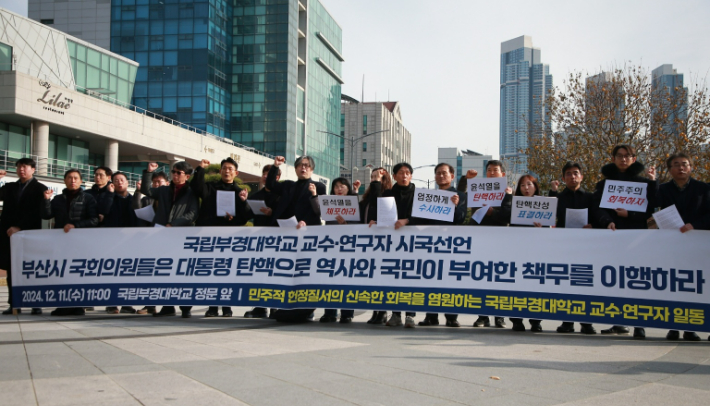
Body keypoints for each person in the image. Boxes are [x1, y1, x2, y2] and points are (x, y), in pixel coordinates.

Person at [592, 144, 657, 339]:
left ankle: (640, 324)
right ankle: (618, 322)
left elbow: (653, 209)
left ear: (634, 158)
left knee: (637, 280)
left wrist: (631, 214)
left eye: (627, 156)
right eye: (619, 156)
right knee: (616, 280)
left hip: (637, 236)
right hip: (613, 237)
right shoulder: (604, 184)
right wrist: (608, 221)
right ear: (613, 158)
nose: (623, 159)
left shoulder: (645, 183)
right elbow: (597, 208)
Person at [657, 153, 710, 342]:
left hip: (697, 245)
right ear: (669, 169)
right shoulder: (661, 190)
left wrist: (695, 225)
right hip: (670, 246)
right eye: (676, 165)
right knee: (672, 285)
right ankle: (673, 327)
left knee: (693, 286)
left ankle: (690, 328)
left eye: (685, 164)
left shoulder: (704, 189)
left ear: (691, 167)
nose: (681, 168)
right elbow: (652, 210)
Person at [266, 155, 326, 322]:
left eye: (307, 166)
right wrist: (275, 166)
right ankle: (280, 305)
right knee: (285, 270)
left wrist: (306, 220)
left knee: (303, 271)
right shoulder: (288, 185)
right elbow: (270, 185)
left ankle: (306, 309)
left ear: (312, 169)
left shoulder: (318, 186)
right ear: (295, 169)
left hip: (307, 235)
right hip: (286, 233)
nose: (303, 168)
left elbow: (319, 211)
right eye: (300, 165)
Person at [141, 161, 199, 318]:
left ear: (187, 176)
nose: (175, 174)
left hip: (182, 236)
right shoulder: (164, 190)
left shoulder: (191, 192)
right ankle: (167, 306)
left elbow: (192, 214)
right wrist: (148, 172)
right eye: (173, 171)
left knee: (183, 273)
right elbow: (146, 190)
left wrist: (173, 224)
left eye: (178, 172)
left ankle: (185, 308)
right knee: (165, 271)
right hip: (162, 235)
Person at [192, 158, 249, 318]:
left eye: (230, 169)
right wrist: (200, 169)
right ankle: (212, 306)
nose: (227, 171)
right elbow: (196, 188)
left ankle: (227, 307)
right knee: (211, 272)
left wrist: (235, 216)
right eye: (224, 168)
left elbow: (244, 218)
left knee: (227, 272)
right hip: (209, 236)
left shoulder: (239, 191)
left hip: (229, 238)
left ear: (236, 173)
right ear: (220, 171)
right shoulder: (210, 187)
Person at [414, 163, 465, 328]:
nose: (441, 176)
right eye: (438, 173)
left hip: (450, 244)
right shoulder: (428, 195)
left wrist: (456, 206)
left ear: (452, 176)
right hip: (430, 244)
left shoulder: (460, 195)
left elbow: (461, 220)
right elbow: (418, 220)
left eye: (444, 173)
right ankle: (431, 316)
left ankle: (451, 317)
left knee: (450, 282)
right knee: (431, 280)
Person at [42, 169, 99, 316]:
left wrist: (76, 226)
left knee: (78, 274)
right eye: (69, 178)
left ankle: (78, 306)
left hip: (81, 243)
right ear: (64, 180)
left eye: (75, 178)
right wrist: (47, 200)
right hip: (61, 243)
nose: (72, 180)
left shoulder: (88, 198)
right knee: (62, 273)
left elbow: (94, 220)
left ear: (81, 181)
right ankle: (63, 305)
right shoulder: (58, 199)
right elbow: (47, 216)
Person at [549, 162, 597, 335]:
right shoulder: (558, 198)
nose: (572, 177)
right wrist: (553, 192)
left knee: (585, 283)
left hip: (587, 246)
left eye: (576, 173)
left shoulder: (591, 197)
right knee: (566, 284)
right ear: (563, 178)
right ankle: (567, 322)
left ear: (582, 176)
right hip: (565, 246)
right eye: (568, 174)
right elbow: (549, 215)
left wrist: (593, 225)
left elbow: (598, 217)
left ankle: (587, 323)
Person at [369, 162, 417, 328]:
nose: (404, 176)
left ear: (411, 176)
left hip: (414, 244)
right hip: (392, 244)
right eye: (400, 173)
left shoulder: (419, 194)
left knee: (411, 279)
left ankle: (410, 315)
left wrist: (408, 221)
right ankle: (395, 314)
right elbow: (380, 212)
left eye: (407, 173)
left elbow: (425, 218)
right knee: (395, 278)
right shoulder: (388, 194)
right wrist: (375, 220)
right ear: (394, 176)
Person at [467, 160, 512, 328]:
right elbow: (464, 199)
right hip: (480, 240)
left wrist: (494, 211)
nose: (492, 173)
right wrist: (468, 181)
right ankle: (482, 316)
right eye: (489, 170)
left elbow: (507, 216)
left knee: (499, 280)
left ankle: (499, 316)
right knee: (480, 279)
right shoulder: (478, 189)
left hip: (500, 242)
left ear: (502, 175)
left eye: (496, 170)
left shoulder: (507, 193)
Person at [0, 159, 48, 315]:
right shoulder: (9, 187)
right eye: (19, 166)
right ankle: (14, 303)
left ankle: (36, 303)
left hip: (30, 234)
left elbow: (37, 213)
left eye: (25, 167)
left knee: (33, 269)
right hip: (9, 234)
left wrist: (19, 226)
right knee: (12, 270)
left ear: (33, 169)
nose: (21, 169)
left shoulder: (40, 188)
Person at [243, 164, 281, 319]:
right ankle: (259, 307)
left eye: (270, 174)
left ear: (277, 178)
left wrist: (273, 213)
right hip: (259, 240)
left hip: (278, 241)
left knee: (275, 274)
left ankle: (275, 307)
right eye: (264, 173)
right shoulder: (256, 195)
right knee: (259, 273)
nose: (266, 176)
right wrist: (244, 202)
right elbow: (244, 216)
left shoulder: (282, 195)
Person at [321, 177, 360, 324]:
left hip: (349, 248)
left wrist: (345, 223)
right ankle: (329, 312)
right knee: (329, 279)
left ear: (348, 188)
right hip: (331, 246)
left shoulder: (354, 202)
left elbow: (358, 223)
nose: (339, 188)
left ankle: (347, 313)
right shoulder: (329, 203)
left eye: (343, 186)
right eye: (336, 186)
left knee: (347, 281)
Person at [508, 174, 544, 332]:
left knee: (536, 288)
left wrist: (542, 229)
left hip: (537, 254)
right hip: (518, 253)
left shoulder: (544, 205)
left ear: (535, 187)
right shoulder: (514, 205)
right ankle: (516, 320)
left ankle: (536, 321)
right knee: (517, 287)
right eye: (522, 185)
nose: (526, 188)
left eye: (529, 184)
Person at [102, 171, 140, 314]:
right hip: (112, 241)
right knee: (111, 273)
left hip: (130, 242)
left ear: (127, 182)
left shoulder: (133, 199)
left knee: (128, 273)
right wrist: (110, 194)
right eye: (116, 180)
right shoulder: (108, 197)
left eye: (122, 180)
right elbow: (104, 211)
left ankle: (126, 303)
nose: (119, 182)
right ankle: (111, 304)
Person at [132, 171, 169, 315]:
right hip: (149, 239)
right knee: (150, 273)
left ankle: (167, 306)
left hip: (166, 240)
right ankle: (149, 304)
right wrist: (138, 191)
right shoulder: (148, 199)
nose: (157, 184)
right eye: (154, 182)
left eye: (159, 182)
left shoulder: (168, 197)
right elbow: (136, 207)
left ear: (166, 183)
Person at [361, 167, 392, 325]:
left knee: (382, 279)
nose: (374, 179)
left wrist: (377, 184)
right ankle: (376, 310)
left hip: (383, 243)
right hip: (367, 242)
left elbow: (380, 206)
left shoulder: (387, 194)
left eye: (378, 176)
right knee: (372, 279)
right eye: (372, 177)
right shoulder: (367, 197)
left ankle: (383, 311)